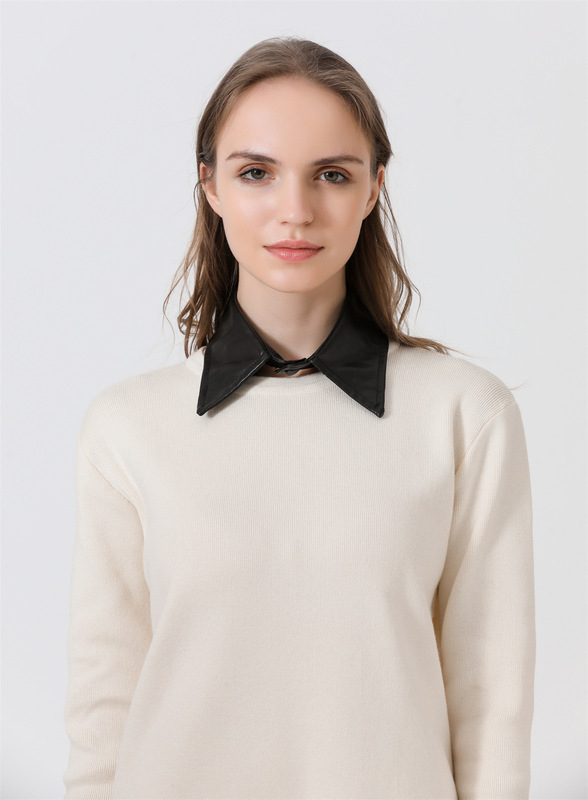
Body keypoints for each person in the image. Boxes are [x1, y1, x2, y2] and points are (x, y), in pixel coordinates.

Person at [63, 36, 536, 800]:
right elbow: (103, 706)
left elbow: (492, 706)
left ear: (374, 187)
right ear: (210, 184)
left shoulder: (463, 415)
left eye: (332, 175)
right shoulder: (128, 428)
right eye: (257, 172)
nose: (295, 212)